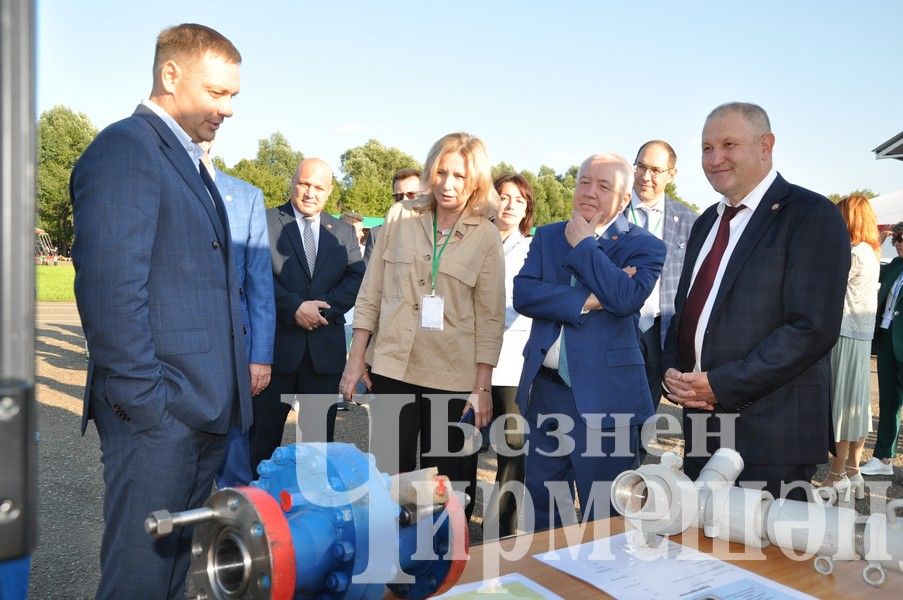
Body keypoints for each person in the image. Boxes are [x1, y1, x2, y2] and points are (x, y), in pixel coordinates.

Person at [70, 24, 249, 598]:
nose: (227, 109)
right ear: (171, 75)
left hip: (200, 415)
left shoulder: (186, 159)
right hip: (160, 420)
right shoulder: (127, 149)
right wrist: (149, 406)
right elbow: (110, 292)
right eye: (217, 93)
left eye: (233, 97)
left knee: (179, 579)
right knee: (140, 579)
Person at [663, 102, 850, 502]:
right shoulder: (705, 223)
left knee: (768, 561)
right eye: (707, 148)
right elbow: (690, 312)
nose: (715, 159)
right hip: (703, 424)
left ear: (766, 145)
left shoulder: (811, 215)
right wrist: (673, 369)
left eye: (729, 144)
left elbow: (811, 328)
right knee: (704, 554)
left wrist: (721, 385)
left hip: (771, 433)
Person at [340, 132, 504, 519]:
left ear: (476, 181)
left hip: (452, 377)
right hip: (393, 369)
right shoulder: (400, 216)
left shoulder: (486, 235)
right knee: (388, 481)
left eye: (460, 176)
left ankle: (443, 572)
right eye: (441, 172)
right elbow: (371, 292)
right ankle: (390, 565)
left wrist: (481, 388)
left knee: (447, 487)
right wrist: (355, 359)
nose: (448, 184)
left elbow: (490, 319)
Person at [513, 153, 666, 531]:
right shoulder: (548, 235)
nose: (590, 192)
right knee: (544, 512)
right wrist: (589, 301)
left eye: (604, 185)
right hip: (547, 393)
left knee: (605, 519)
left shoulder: (645, 246)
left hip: (607, 400)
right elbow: (524, 294)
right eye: (584, 181)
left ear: (626, 196)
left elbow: (628, 298)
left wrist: (585, 247)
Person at [249, 158, 364, 469]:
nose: (310, 192)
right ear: (292, 182)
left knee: (317, 448)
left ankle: (309, 510)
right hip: (274, 354)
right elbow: (255, 275)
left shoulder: (342, 232)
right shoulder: (263, 222)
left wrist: (320, 310)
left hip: (323, 355)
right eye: (304, 183)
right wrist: (295, 308)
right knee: (261, 443)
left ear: (329, 192)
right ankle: (257, 510)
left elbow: (356, 278)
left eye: (319, 186)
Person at [199, 142, 275, 487]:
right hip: (175, 354)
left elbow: (260, 284)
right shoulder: (153, 185)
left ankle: (233, 537)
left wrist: (260, 357)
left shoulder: (246, 197)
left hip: (234, 349)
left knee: (234, 464)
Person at [814, 195, 880, 497]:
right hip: (862, 337)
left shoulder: (854, 253)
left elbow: (827, 284)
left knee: (841, 404)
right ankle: (853, 471)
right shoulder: (872, 252)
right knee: (857, 403)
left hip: (844, 334)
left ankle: (836, 473)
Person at [626, 141, 697, 415]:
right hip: (615, 324)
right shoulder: (610, 211)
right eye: (641, 166)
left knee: (645, 413)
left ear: (672, 174)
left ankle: (636, 457)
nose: (645, 176)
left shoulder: (690, 222)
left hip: (660, 331)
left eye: (656, 170)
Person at [482, 173, 534, 538]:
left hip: (512, 362)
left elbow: (527, 303)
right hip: (464, 361)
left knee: (511, 452)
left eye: (519, 198)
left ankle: (502, 531)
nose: (510, 204)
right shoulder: (472, 240)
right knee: (457, 446)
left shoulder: (533, 249)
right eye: (503, 195)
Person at [861, 221, 903, 476]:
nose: (897, 242)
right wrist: (877, 241)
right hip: (887, 340)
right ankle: (883, 459)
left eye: (901, 238)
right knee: (889, 403)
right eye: (896, 237)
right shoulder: (895, 266)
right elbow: (863, 270)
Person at [363, 167, 421, 264]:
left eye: (411, 194)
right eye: (399, 196)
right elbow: (369, 276)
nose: (404, 200)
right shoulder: (377, 234)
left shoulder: (437, 231)